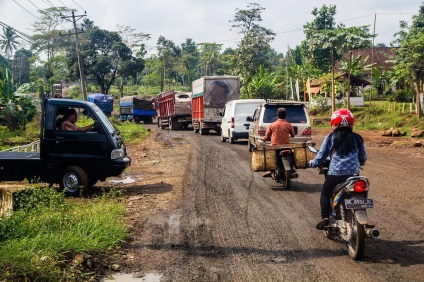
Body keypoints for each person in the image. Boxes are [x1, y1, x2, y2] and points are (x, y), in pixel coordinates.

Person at [309, 108, 367, 230]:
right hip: (354, 176)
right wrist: (359, 162)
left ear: (334, 123)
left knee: (325, 193)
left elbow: (321, 157)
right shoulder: (357, 138)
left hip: (335, 175)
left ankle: (325, 217)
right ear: (351, 123)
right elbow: (362, 158)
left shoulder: (331, 138)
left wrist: (313, 163)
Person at [261, 107, 295, 177]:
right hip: (286, 147)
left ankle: (270, 170)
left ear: (277, 115)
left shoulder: (272, 125)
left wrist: (263, 138)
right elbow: (293, 135)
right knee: (292, 155)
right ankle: (292, 168)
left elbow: (267, 136)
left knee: (270, 157)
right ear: (285, 115)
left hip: (274, 146)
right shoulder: (288, 124)